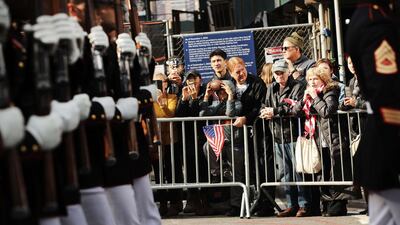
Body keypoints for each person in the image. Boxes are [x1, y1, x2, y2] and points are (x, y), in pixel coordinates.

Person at [346, 1, 400, 224]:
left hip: (382, 144)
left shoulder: (374, 17)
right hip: (388, 140)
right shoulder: (375, 23)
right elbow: (386, 93)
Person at [292, 67, 355, 217]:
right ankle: (326, 204)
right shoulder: (312, 93)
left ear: (323, 79)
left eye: (315, 79)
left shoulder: (330, 90)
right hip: (319, 140)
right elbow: (295, 112)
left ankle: (337, 206)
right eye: (310, 79)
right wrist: (303, 101)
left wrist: (315, 98)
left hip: (334, 138)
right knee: (324, 174)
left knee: (336, 173)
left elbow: (327, 111)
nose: (312, 82)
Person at [259, 59, 311, 217]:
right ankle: (291, 204)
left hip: (295, 134)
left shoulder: (298, 85)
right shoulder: (270, 88)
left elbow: (295, 106)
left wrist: (274, 111)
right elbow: (263, 104)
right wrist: (265, 111)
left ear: (288, 72)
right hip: (277, 135)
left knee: (298, 171)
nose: (279, 75)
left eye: (282, 72)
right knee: (286, 172)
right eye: (276, 73)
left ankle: (304, 204)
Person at [200, 79, 243, 216]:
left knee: (237, 174)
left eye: (224, 91)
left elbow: (230, 114)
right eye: (219, 92)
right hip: (219, 142)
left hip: (234, 143)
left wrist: (230, 96)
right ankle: (216, 173)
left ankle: (236, 205)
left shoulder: (237, 103)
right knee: (207, 146)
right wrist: (207, 96)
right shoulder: (216, 104)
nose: (221, 94)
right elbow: (202, 115)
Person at [175, 70, 210, 215]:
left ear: (200, 80)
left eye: (194, 81)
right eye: (189, 81)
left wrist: (195, 99)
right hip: (188, 138)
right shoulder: (183, 93)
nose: (191, 84)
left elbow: (200, 114)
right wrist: (184, 99)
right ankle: (192, 199)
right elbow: (179, 115)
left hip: (203, 137)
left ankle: (205, 201)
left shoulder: (205, 92)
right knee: (190, 169)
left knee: (203, 170)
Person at [152, 72, 182, 217]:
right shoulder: (150, 101)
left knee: (172, 171)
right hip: (156, 141)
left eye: (162, 82)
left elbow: (170, 114)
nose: (160, 85)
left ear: (167, 83)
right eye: (156, 82)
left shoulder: (172, 97)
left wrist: (162, 105)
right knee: (159, 173)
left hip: (170, 139)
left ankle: (175, 203)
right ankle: (162, 204)